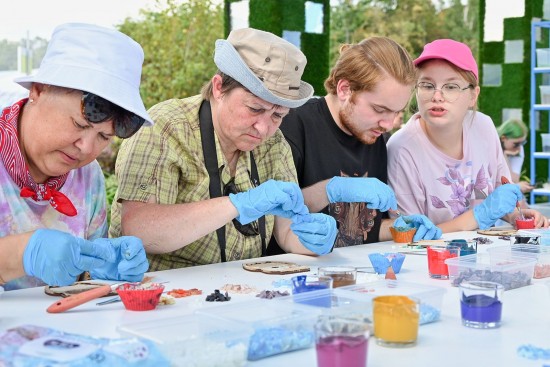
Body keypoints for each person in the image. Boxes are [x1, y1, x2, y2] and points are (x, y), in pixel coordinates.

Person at [109, 28, 337, 271]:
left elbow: (285, 231)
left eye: (278, 115)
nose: (263, 128)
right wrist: (237, 205)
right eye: (254, 108)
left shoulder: (275, 144)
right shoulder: (166, 128)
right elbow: (139, 229)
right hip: (160, 293)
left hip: (239, 291)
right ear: (219, 88)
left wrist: (312, 240)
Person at [0, 23, 150, 290]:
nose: (85, 148)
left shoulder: (87, 175)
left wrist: (101, 267)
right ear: (39, 89)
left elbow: (84, 282)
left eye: (104, 137)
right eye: (79, 125)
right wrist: (20, 254)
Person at [267, 36, 442, 255]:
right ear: (344, 89)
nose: (388, 124)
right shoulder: (293, 124)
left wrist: (403, 228)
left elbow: (364, 229)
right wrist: (332, 189)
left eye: (397, 112)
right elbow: (273, 214)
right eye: (379, 109)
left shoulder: (375, 137)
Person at [387, 39, 548, 231]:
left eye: (451, 87)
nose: (437, 96)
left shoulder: (483, 126)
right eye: (427, 85)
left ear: (473, 96)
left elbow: (500, 192)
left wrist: (516, 214)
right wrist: (478, 216)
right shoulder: (402, 149)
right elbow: (409, 234)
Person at [497, 118, 534, 193]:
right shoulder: (492, 144)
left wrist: (505, 155)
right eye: (516, 144)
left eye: (522, 143)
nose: (519, 147)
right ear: (503, 138)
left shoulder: (519, 149)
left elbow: (513, 180)